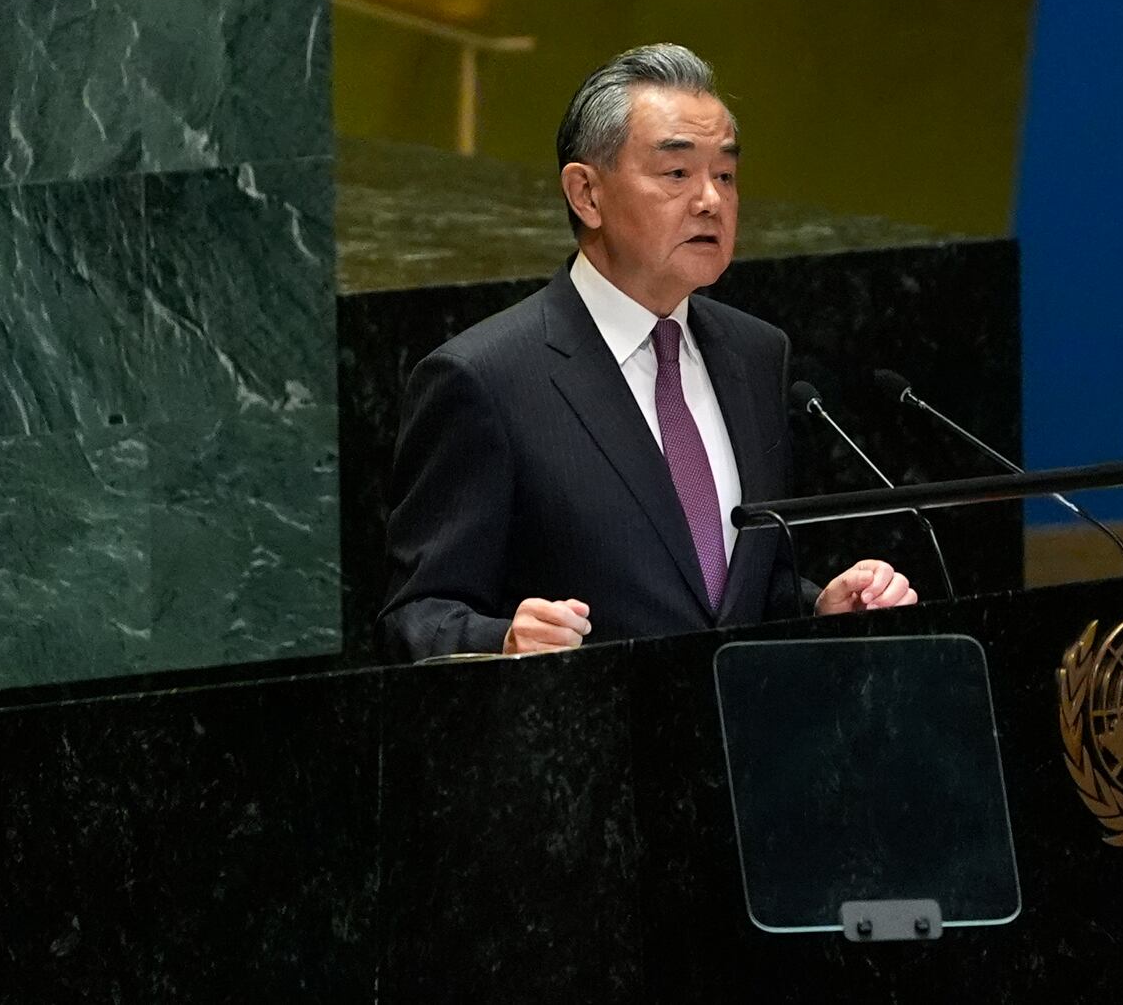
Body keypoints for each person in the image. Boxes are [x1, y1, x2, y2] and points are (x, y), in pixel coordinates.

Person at [379, 43, 916, 659]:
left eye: (726, 175)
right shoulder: (484, 379)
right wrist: (502, 640)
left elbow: (733, 590)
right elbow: (415, 619)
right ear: (587, 195)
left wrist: (819, 606)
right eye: (677, 173)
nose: (711, 199)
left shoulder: (755, 354)